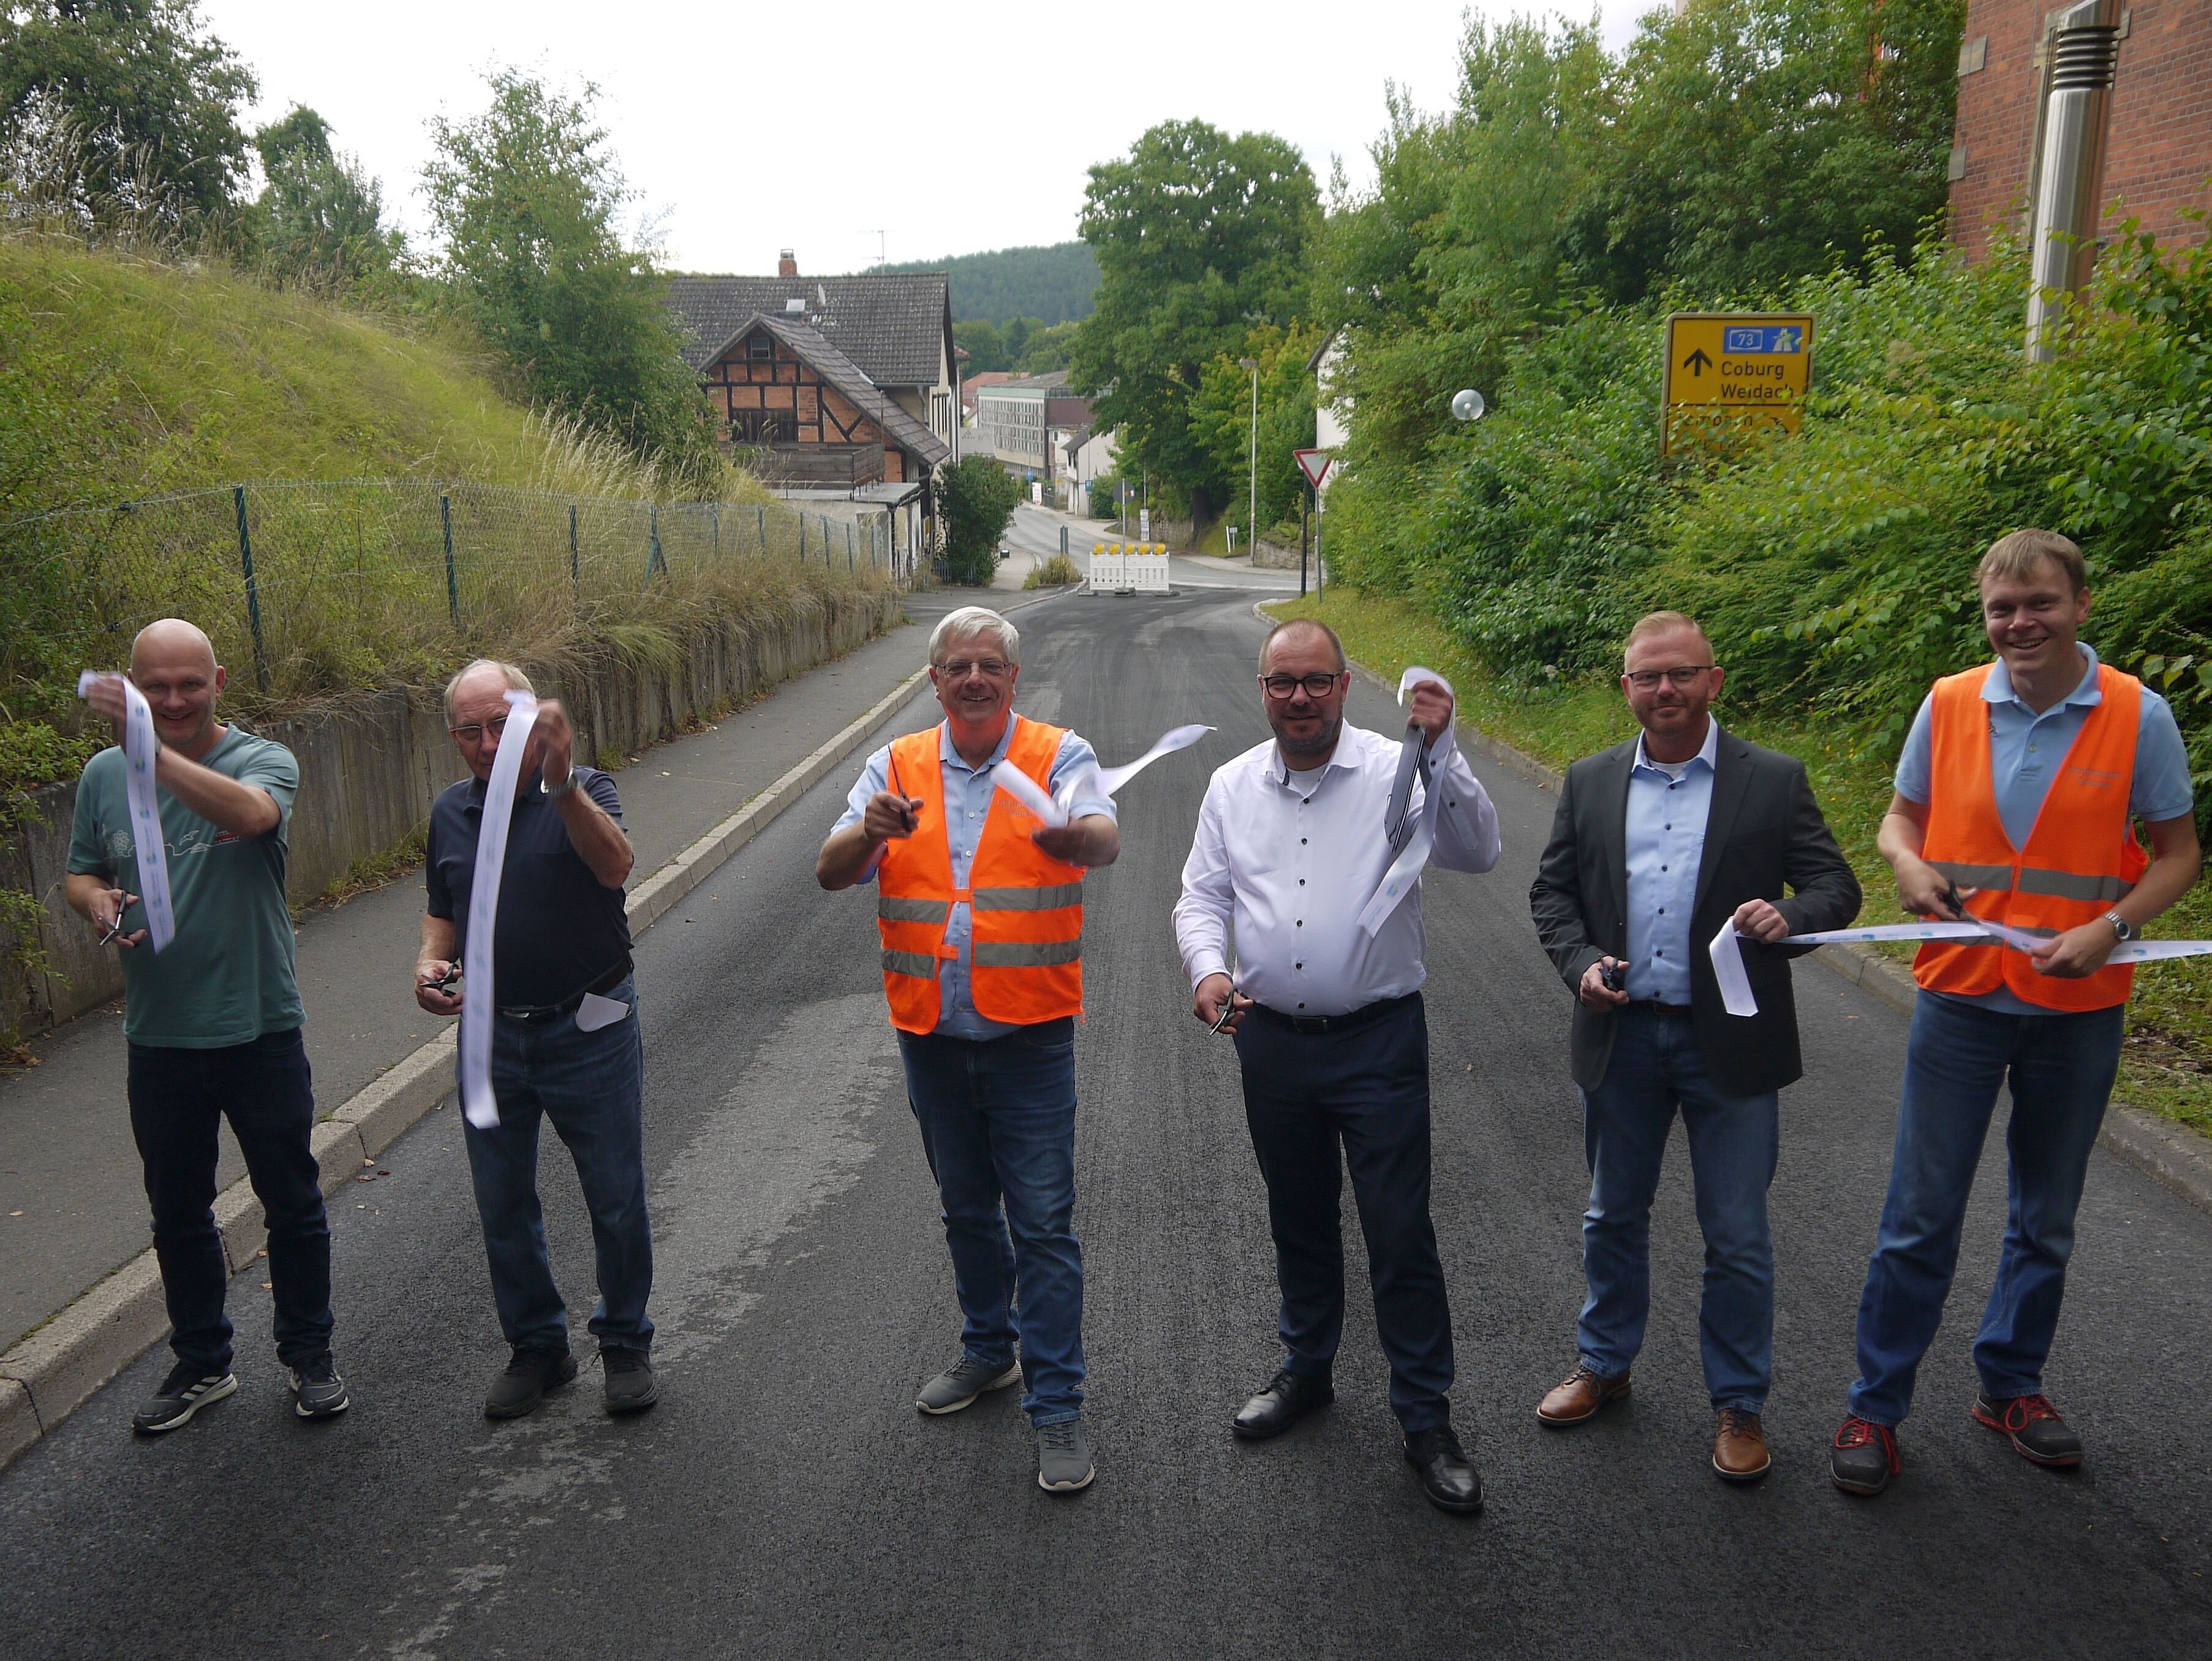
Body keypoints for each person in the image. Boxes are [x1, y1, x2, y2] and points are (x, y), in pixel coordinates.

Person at [1830, 531, 2200, 1497]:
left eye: (2037, 602)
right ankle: (1874, 1401)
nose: (2017, 622)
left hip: (2078, 1002)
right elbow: (1897, 818)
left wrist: (2110, 925)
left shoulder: (2136, 712)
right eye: (2000, 607)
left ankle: (2009, 1384)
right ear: (1983, 613)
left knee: (2044, 1215)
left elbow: (2175, 854)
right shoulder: (1950, 701)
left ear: (2079, 602)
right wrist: (1906, 863)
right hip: (1959, 992)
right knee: (1919, 1213)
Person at [1174, 618, 1502, 1515]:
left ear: (1345, 683)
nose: (1299, 698)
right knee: (1299, 1216)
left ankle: (1424, 1416)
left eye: (1315, 681)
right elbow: (1201, 893)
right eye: (1282, 682)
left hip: (1378, 1039)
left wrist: (1441, 749)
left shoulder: (1397, 768)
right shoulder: (1230, 785)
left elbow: (1478, 848)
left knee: (1399, 1229)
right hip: (1270, 1039)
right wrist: (1208, 968)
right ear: (1262, 687)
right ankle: (1306, 1368)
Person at [1529, 611, 1860, 1484]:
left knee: (1738, 1233)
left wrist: (1790, 914)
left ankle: (1738, 1402)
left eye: (1679, 673)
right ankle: (1602, 1364)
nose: (1663, 690)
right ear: (1626, 686)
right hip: (1623, 1035)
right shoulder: (1591, 779)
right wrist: (1576, 965)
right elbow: (1551, 892)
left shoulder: (1770, 779)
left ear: (1713, 680)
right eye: (1646, 676)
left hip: (1732, 1041)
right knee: (1611, 1214)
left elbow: (1835, 883)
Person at [817, 605, 1117, 1496]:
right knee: (963, 1210)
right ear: (935, 680)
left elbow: (1104, 835)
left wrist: (1075, 837)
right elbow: (830, 869)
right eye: (959, 665)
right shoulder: (894, 766)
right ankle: (990, 1348)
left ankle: (1056, 1404)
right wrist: (869, 829)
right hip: (933, 1038)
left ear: (1013, 679)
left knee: (1042, 1225)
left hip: (1028, 1035)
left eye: (991, 663)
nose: (976, 677)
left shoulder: (1057, 754)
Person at [66, 619, 348, 1434]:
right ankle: (203, 1360)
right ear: (132, 684)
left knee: (290, 1200)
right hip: (159, 1036)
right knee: (177, 1211)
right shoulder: (101, 776)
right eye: (155, 686)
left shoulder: (263, 758)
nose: (174, 699)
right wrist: (96, 901)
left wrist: (152, 753)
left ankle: (309, 1352)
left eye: (190, 682)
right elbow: (83, 869)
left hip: (258, 1029)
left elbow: (254, 815)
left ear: (219, 680)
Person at [415, 659, 657, 1420]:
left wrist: (559, 783)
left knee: (614, 1195)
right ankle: (537, 1346)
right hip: (490, 1034)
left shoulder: (587, 788)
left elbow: (616, 866)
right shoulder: (451, 812)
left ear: (533, 718)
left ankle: (623, 1342)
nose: (487, 743)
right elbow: (441, 910)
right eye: (470, 730)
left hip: (589, 1021)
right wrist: (427, 962)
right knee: (502, 1200)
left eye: (502, 724)